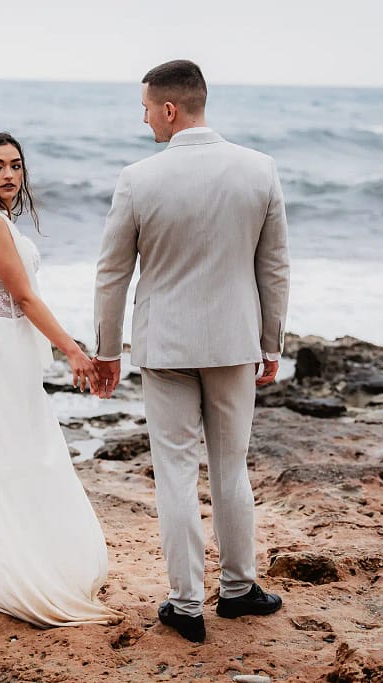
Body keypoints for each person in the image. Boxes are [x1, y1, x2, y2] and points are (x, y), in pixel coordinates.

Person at [92, 60, 290, 643]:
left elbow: (112, 273)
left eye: (148, 106)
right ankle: (237, 590)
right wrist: (271, 342)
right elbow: (273, 268)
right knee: (231, 468)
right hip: (233, 343)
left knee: (175, 473)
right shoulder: (259, 170)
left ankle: (184, 605)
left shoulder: (138, 179)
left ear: (171, 110)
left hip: (165, 345)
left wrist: (107, 350)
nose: (144, 116)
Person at [0, 131, 122, 628]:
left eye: (17, 166)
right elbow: (24, 299)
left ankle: (26, 559)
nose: (9, 174)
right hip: (3, 357)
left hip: (9, 354)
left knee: (19, 454)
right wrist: (73, 350)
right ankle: (22, 570)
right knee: (22, 455)